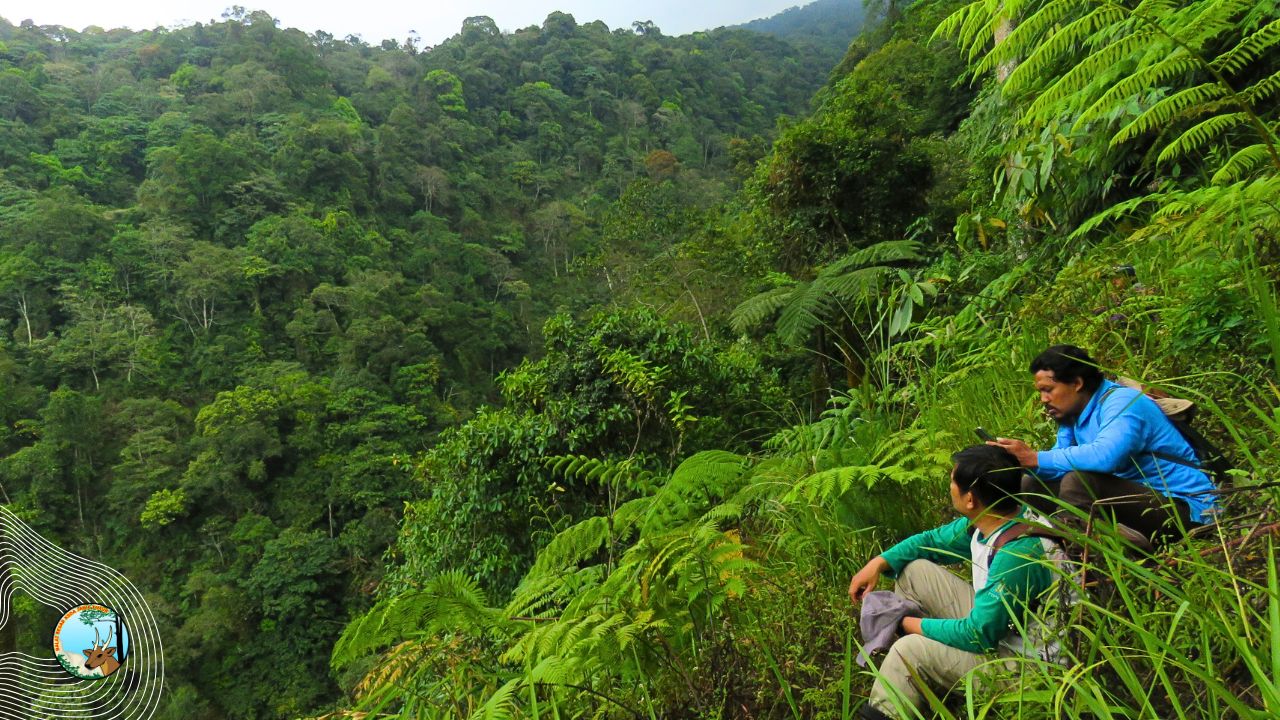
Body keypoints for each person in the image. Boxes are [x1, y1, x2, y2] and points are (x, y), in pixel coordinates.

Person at [848, 445, 1062, 720]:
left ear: (970, 499)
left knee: (907, 651)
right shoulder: (998, 518)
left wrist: (906, 624)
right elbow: (931, 541)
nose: (949, 485)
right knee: (915, 572)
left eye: (952, 480)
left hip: (1029, 667)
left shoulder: (1018, 553)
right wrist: (878, 562)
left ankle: (901, 693)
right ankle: (923, 684)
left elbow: (978, 634)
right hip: (1007, 634)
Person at [989, 344, 1217, 544]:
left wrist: (1036, 457)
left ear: (1077, 383)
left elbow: (1107, 456)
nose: (1043, 400)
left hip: (1188, 510)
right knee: (1033, 484)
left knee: (1079, 481)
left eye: (1048, 390)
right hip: (1142, 504)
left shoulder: (1123, 402)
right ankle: (1084, 548)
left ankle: (1094, 556)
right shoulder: (1073, 417)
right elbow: (1058, 463)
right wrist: (1022, 462)